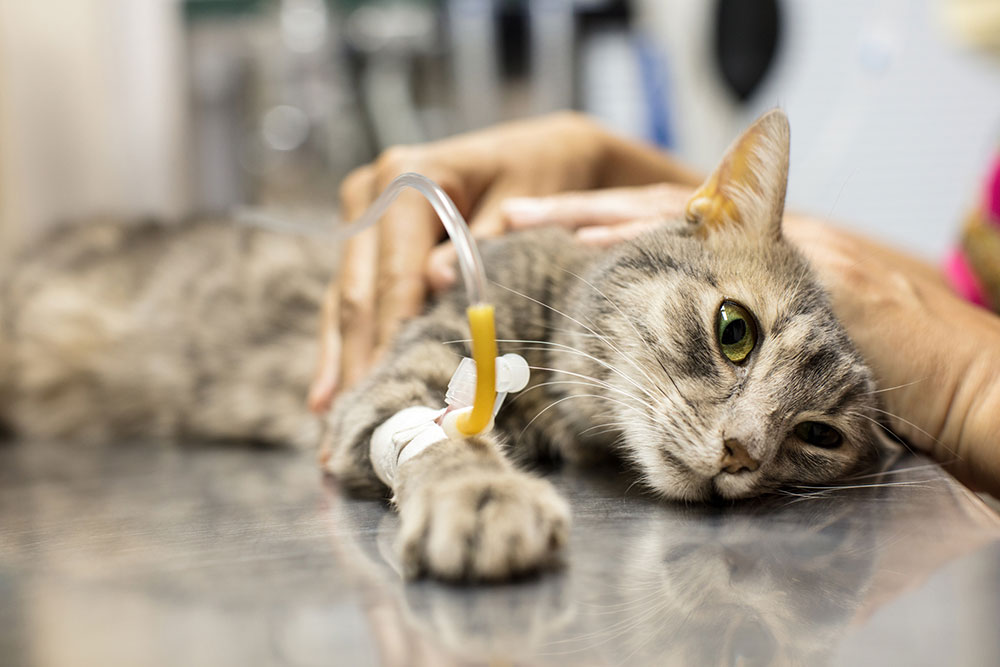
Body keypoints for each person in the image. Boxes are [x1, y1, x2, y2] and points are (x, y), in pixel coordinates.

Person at [307, 112, 1000, 499]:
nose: (747, 447)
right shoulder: (528, 284)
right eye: (735, 334)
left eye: (819, 436)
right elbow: (377, 414)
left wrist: (970, 388)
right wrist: (605, 154)